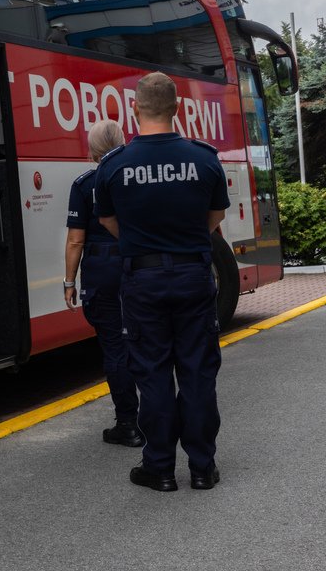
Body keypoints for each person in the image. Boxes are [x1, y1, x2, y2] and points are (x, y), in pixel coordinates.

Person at [94, 72, 230, 492]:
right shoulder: (205, 158)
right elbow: (215, 218)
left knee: (152, 372)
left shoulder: (114, 165)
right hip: (193, 276)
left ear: (135, 109)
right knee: (197, 371)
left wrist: (142, 245)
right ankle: (203, 467)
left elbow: (108, 221)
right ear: (178, 109)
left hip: (143, 279)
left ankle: (160, 468)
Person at [64, 120, 141, 447]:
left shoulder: (84, 184)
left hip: (101, 270)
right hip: (137, 266)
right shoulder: (136, 177)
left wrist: (69, 280)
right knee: (145, 342)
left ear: (91, 150)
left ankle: (128, 423)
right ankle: (157, 416)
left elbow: (75, 241)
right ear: (123, 143)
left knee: (114, 347)